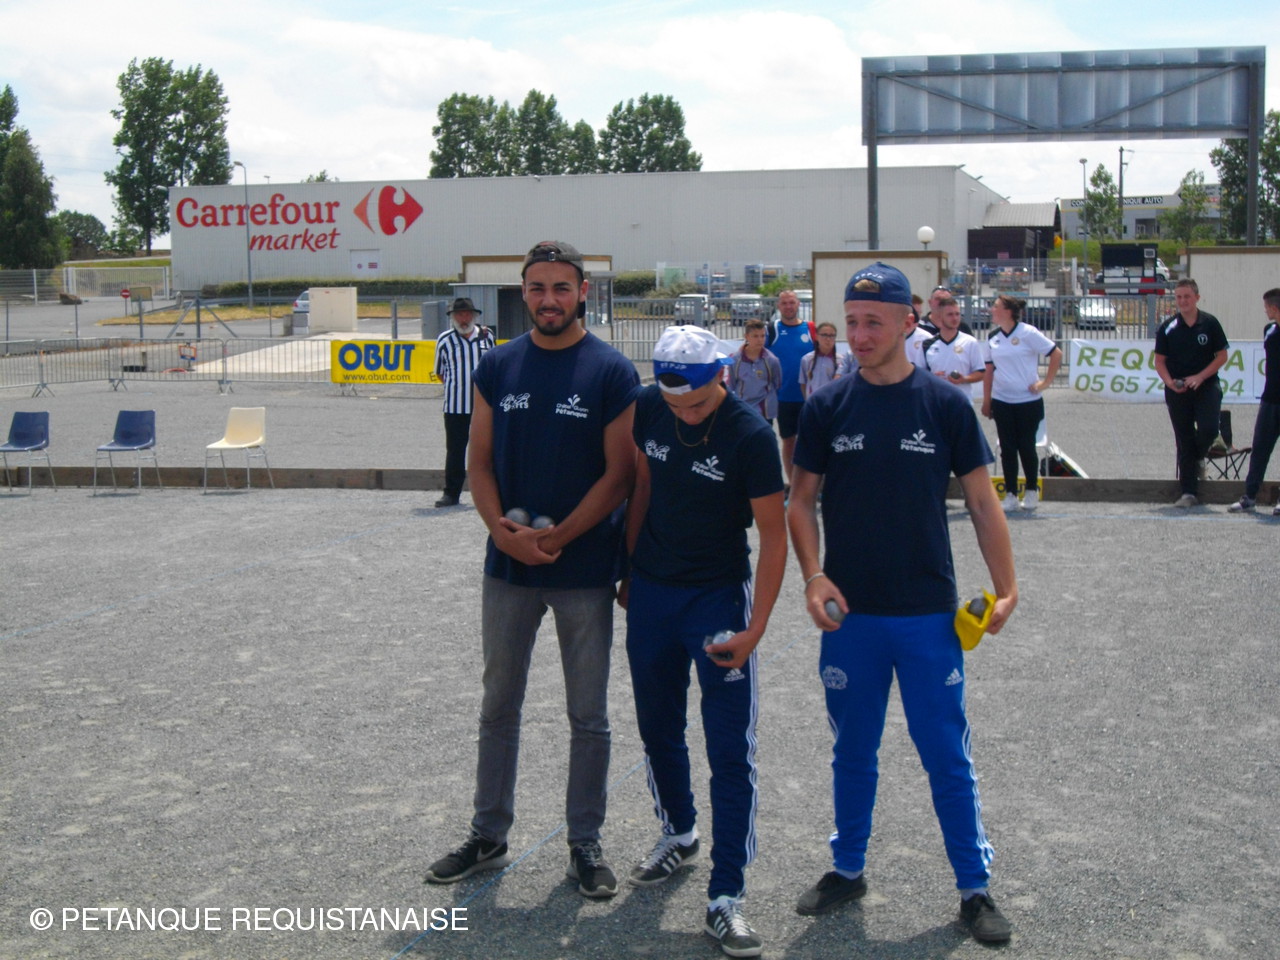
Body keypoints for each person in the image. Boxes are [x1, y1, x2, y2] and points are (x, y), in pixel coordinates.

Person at [787, 261, 1018, 945]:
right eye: (852, 322)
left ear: (906, 323)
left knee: (945, 754)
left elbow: (983, 503)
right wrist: (813, 575)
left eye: (873, 323)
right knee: (852, 750)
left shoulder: (943, 405)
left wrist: (1008, 588)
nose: (858, 335)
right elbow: (800, 502)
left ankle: (974, 887)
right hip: (852, 618)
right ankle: (847, 868)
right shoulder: (828, 405)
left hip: (927, 616)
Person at [424, 240, 640, 898]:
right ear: (524, 292)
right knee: (498, 706)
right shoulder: (498, 365)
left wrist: (559, 537)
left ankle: (584, 841)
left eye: (561, 287)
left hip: (584, 570)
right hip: (508, 567)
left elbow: (620, 474)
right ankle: (488, 834)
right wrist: (502, 533)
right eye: (538, 288)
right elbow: (479, 463)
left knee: (588, 715)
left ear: (583, 293)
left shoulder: (610, 370)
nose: (549, 299)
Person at [622, 325, 787, 958]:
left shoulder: (750, 436)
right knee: (657, 726)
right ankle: (679, 832)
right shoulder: (650, 405)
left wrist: (757, 627)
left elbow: (773, 536)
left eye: (694, 403)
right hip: (653, 593)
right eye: (675, 404)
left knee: (729, 748)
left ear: (721, 375)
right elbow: (642, 484)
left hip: (718, 599)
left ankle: (726, 896)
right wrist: (629, 569)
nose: (684, 414)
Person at [981, 294, 1062, 512]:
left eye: (996, 306)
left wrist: (1045, 383)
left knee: (1026, 446)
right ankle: (1010, 494)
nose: (991, 310)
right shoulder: (993, 337)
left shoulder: (1028, 332)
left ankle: (1032, 491)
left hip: (1028, 401)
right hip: (1002, 401)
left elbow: (1056, 354)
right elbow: (989, 370)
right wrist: (987, 400)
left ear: (1008, 311)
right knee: (1007, 448)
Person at [1154, 278, 1229, 508]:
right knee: (1184, 438)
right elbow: (1159, 361)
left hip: (1206, 386)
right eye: (1178, 297)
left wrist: (1200, 377)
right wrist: (1170, 383)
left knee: (1209, 429)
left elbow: (1222, 356)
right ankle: (1188, 493)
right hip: (1178, 390)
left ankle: (1198, 458)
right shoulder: (1168, 327)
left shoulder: (1210, 323)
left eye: (1187, 296)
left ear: (1197, 297)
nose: (1183, 301)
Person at [433, 297, 494, 507]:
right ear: (452, 317)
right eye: (459, 314)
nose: (464, 318)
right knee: (455, 451)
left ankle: (493, 493)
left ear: (474, 316)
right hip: (455, 406)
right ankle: (451, 493)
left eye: (467, 314)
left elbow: (494, 367)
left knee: (489, 449)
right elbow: (440, 373)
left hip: (484, 406)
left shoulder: (487, 336)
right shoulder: (444, 340)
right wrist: (458, 386)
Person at [1229, 287, 1280, 515]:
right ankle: (1249, 496)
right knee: (1260, 449)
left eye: (1266, 307)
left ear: (1274, 308)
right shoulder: (1269, 330)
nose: (1265, 311)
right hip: (1270, 399)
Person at [764, 290, 812, 490]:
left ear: (798, 304)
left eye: (792, 302)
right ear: (778, 306)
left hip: (809, 398)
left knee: (811, 443)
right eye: (784, 303)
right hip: (783, 398)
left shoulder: (810, 329)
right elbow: (754, 351)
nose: (788, 306)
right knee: (789, 442)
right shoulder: (772, 330)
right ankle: (793, 487)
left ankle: (811, 487)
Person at [922, 296, 985, 396]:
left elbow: (981, 373)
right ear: (940, 317)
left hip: (962, 400)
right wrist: (932, 378)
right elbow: (920, 374)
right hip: (937, 401)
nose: (955, 318)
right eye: (950, 314)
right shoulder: (927, 344)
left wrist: (964, 379)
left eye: (957, 314)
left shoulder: (970, 342)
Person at [727, 318, 782, 424]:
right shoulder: (735, 360)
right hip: (743, 408)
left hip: (764, 410)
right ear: (746, 337)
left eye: (763, 336)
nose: (760, 340)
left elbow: (777, 383)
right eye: (755, 336)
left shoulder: (772, 360)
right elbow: (732, 385)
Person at [799, 321, 843, 398]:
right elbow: (803, 383)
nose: (828, 339)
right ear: (816, 336)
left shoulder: (841, 361)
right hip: (813, 402)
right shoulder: (807, 359)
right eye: (824, 335)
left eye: (832, 336)